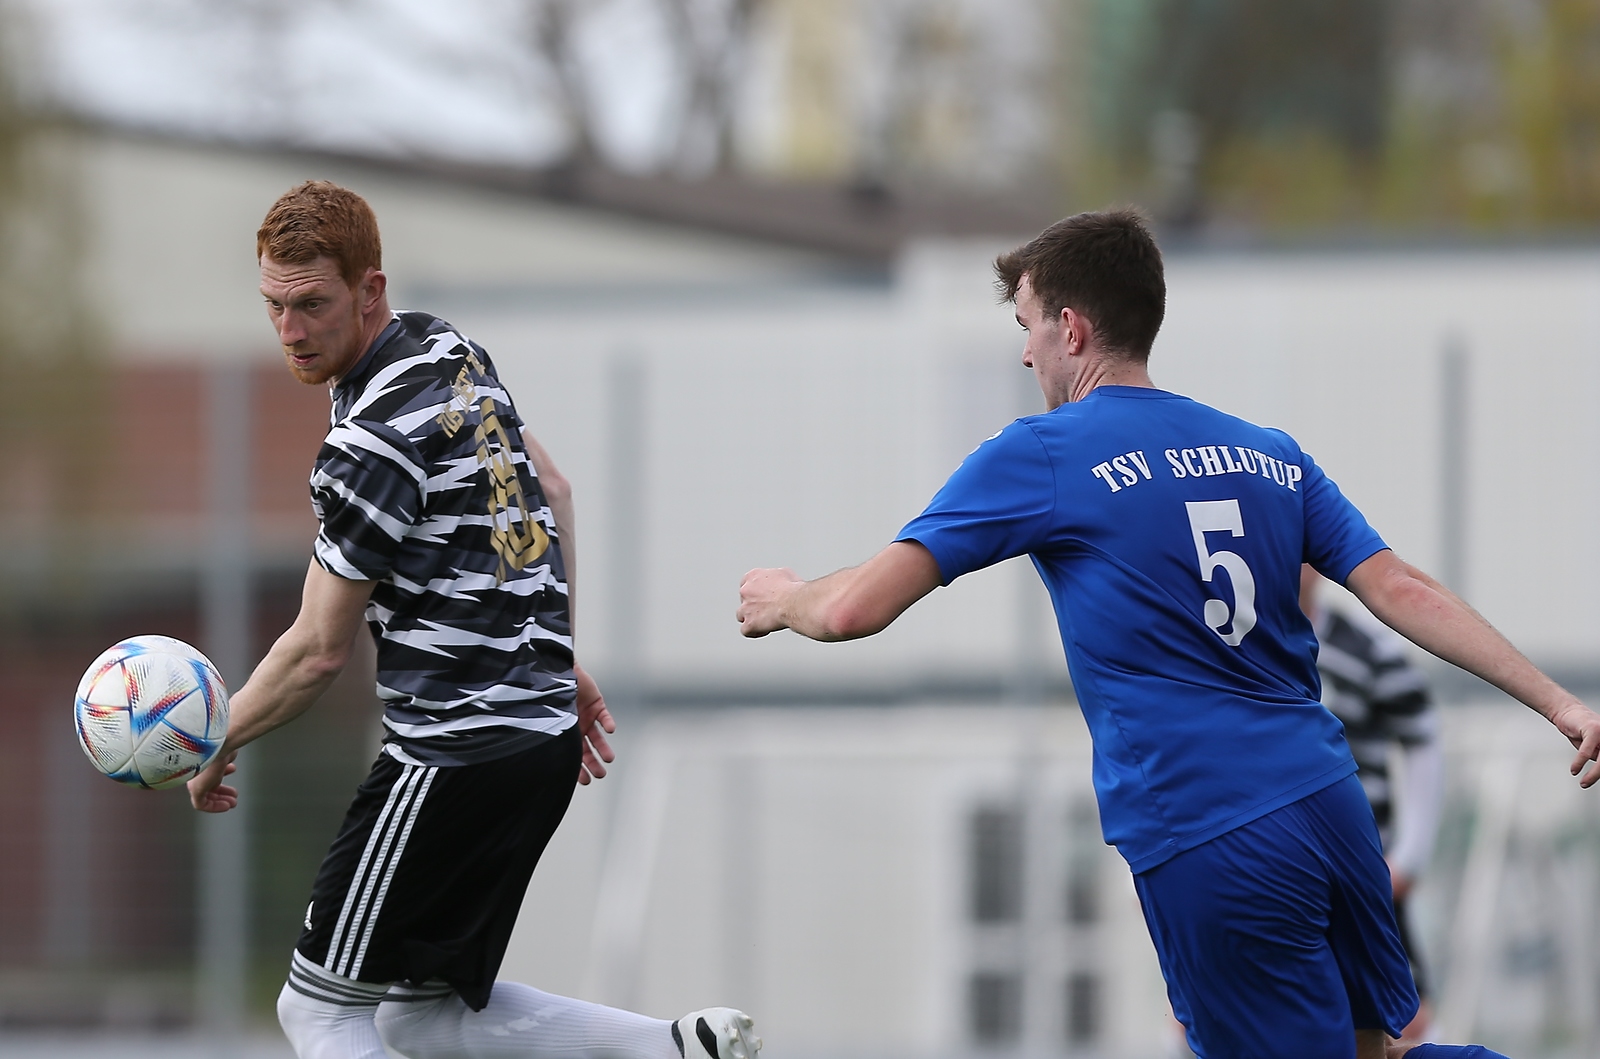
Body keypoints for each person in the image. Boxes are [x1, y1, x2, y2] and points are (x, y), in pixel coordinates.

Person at [735, 209, 1600, 1059]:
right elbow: (1403, 588)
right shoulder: (1267, 451)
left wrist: (783, 599)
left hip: (1214, 828)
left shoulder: (1042, 452)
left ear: (1071, 328)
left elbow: (856, 608)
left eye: (1028, 323)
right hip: (1331, 806)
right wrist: (1560, 701)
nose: (1023, 349)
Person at [187, 181, 762, 1059]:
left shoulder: (365, 444)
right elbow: (550, 491)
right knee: (421, 1011)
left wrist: (220, 736)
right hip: (538, 737)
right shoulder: (447, 348)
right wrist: (552, 650)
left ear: (369, 290)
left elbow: (315, 651)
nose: (291, 332)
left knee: (318, 1010)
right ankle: (679, 1047)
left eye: (312, 305)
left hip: (453, 750)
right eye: (274, 306)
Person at [1303, 566, 1441, 1041]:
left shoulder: (1367, 650)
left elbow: (1423, 739)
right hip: (1271, 869)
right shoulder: (1230, 649)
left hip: (1365, 872)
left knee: (1403, 1020)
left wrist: (1408, 858)